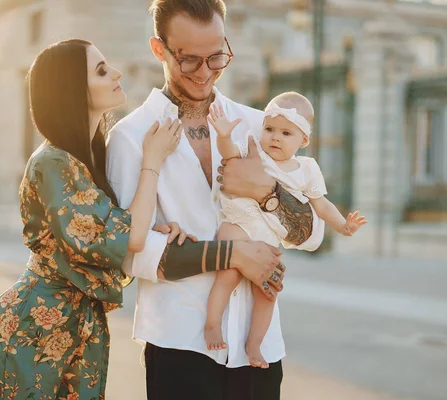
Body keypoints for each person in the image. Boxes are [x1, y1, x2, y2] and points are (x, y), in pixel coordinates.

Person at [106, 1, 324, 399]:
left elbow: (311, 234)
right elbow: (126, 252)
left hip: (258, 349)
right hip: (178, 344)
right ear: (160, 50)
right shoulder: (130, 136)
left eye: (217, 57)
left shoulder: (260, 126)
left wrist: (267, 194)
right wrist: (233, 255)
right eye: (189, 60)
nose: (205, 73)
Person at [0, 39, 188, 399]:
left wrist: (153, 227)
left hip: (77, 325)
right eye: (101, 70)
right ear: (71, 88)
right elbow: (128, 238)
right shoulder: (54, 163)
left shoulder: (83, 159)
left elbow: (114, 231)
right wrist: (152, 158)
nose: (117, 74)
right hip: (33, 328)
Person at [205, 92, 368, 368]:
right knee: (227, 274)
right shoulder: (253, 149)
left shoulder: (306, 169)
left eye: (286, 133)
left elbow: (322, 205)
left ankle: (254, 345)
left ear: (303, 140)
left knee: (269, 291)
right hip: (239, 223)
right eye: (269, 129)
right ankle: (212, 325)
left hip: (269, 238)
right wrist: (223, 136)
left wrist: (342, 225)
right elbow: (230, 155)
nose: (275, 137)